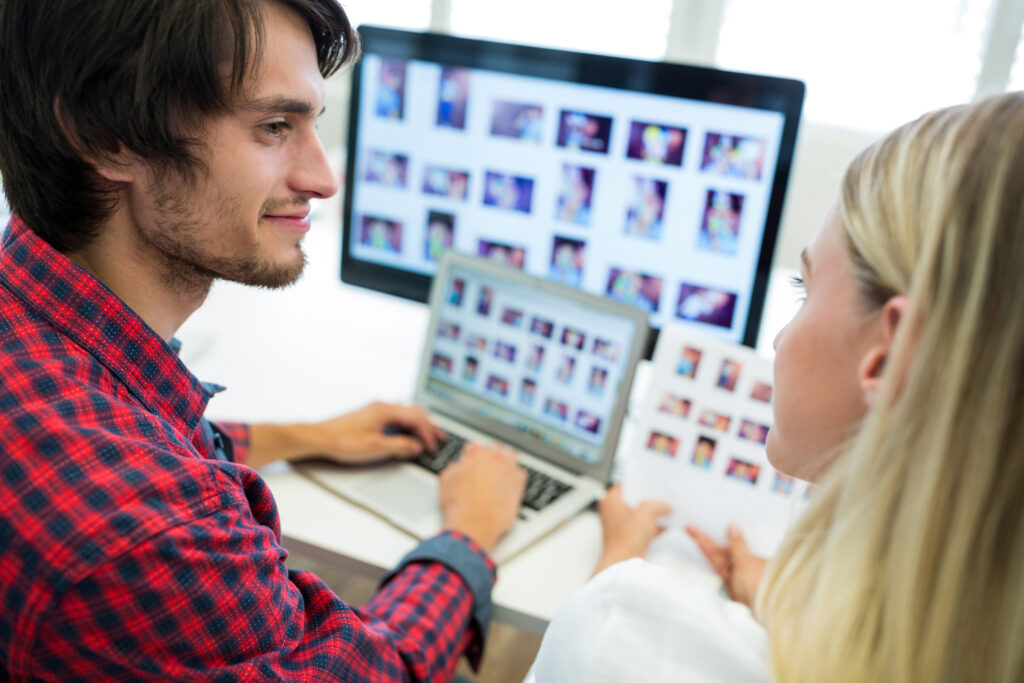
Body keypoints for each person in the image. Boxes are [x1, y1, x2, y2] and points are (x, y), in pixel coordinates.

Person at [0, 1, 527, 680]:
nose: (322, 178)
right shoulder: (150, 532)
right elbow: (372, 672)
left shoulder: (36, 324)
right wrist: (468, 537)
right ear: (106, 136)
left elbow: (137, 435)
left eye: (314, 123)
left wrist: (307, 435)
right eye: (274, 127)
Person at [532, 92, 1024, 682]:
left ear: (889, 358)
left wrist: (615, 569)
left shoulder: (620, 630)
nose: (778, 341)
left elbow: (610, 651)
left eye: (804, 290)